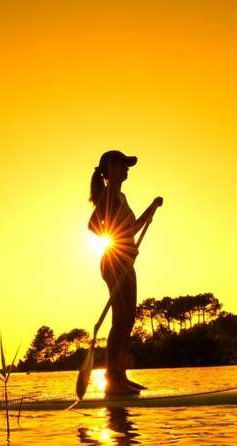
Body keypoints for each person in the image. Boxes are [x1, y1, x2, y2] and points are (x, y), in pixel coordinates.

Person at [88, 150, 163, 395]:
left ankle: (120, 376)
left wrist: (151, 207)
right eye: (123, 165)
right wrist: (117, 241)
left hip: (125, 261)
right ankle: (112, 379)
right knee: (121, 320)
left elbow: (132, 227)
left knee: (128, 318)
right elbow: (93, 225)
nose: (127, 169)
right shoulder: (108, 195)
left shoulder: (120, 195)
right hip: (114, 262)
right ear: (110, 170)